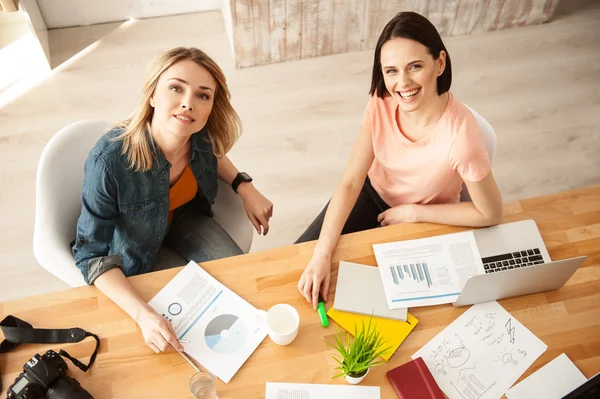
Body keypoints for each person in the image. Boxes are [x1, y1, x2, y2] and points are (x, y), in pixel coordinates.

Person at [72, 47, 273, 354]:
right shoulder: (108, 161)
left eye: (202, 95)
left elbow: (215, 154)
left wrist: (244, 186)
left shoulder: (201, 136)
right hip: (136, 247)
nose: (187, 103)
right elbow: (90, 256)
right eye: (176, 88)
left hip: (184, 218)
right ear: (152, 94)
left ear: (210, 107)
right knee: (186, 329)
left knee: (243, 290)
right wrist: (143, 316)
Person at [296, 12, 503, 309]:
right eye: (390, 71)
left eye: (415, 66)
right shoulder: (380, 100)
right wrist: (322, 253)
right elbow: (352, 181)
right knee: (303, 266)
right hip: (372, 195)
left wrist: (414, 213)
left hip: (428, 216)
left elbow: (491, 213)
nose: (402, 83)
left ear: (440, 63)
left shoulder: (462, 138)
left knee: (381, 307)